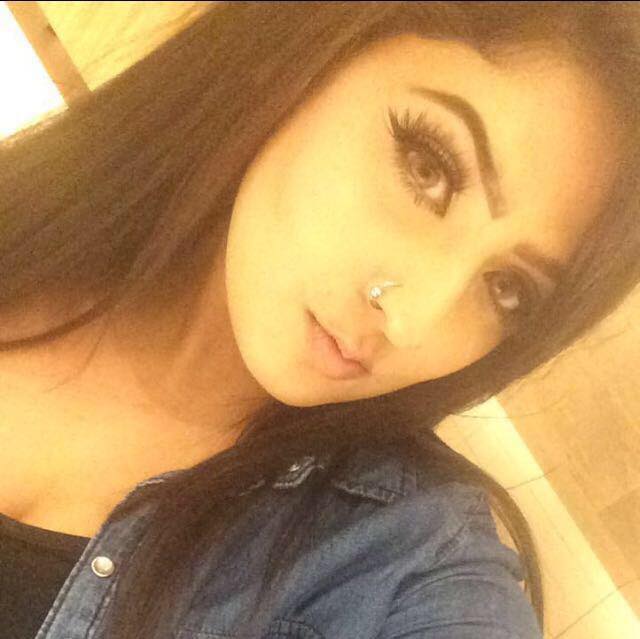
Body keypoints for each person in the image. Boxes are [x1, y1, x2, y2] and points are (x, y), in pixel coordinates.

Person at [0, 2, 638, 637]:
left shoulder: (409, 565)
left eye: (507, 290)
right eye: (430, 169)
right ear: (308, 52)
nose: (411, 320)